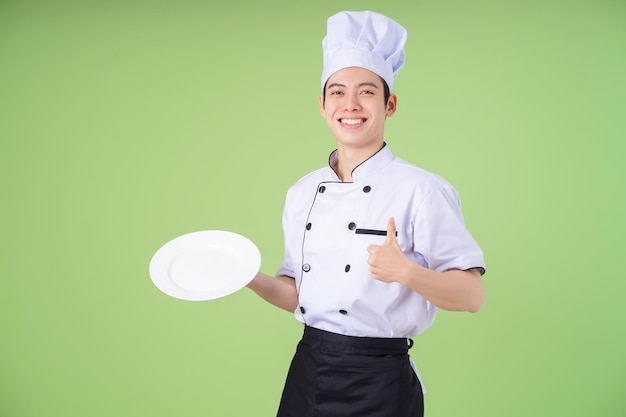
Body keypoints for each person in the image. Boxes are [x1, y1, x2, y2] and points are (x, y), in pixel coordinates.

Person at [246, 10, 486, 417]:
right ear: (322, 105)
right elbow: (299, 297)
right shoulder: (302, 192)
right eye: (337, 92)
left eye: (367, 92)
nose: (350, 104)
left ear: (390, 104)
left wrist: (407, 272)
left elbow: (472, 296)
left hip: (380, 379)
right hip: (308, 369)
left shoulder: (421, 189)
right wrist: (245, 275)